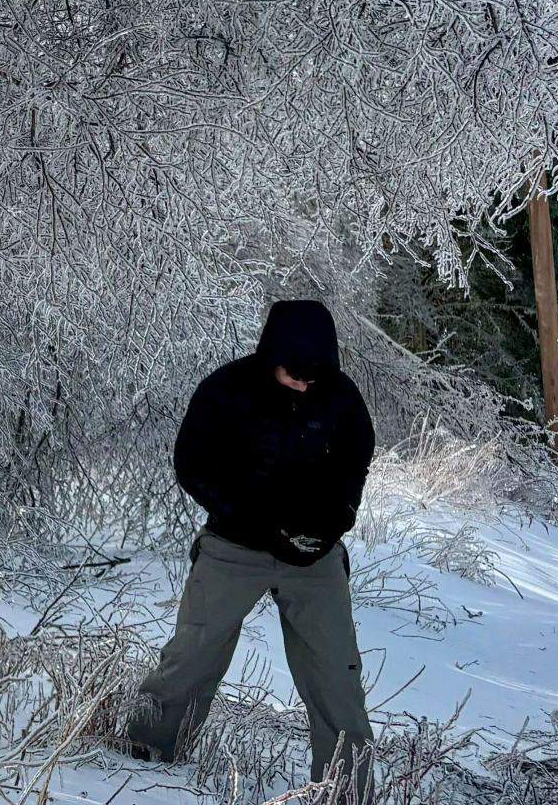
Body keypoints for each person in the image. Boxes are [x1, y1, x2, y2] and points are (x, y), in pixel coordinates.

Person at [123, 299, 378, 801]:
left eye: (314, 374)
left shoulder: (342, 399)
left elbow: (354, 466)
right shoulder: (226, 390)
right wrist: (249, 516)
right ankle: (145, 757)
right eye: (294, 372)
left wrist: (331, 524)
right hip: (233, 545)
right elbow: (191, 463)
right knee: (192, 653)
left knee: (337, 671)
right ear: (270, 357)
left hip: (314, 556)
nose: (305, 382)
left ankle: (346, 787)